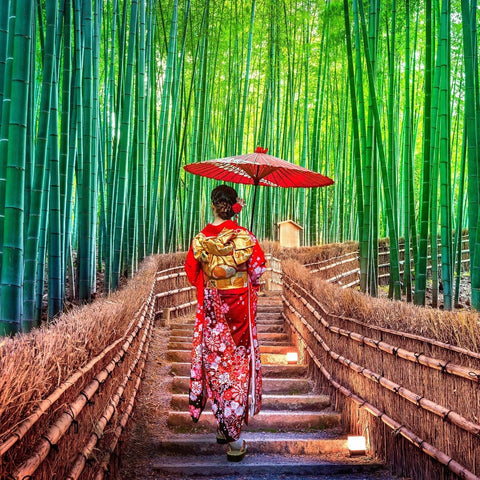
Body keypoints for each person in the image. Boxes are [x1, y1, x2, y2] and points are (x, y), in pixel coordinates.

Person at [184, 184, 266, 462]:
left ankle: (223, 424)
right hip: (238, 311)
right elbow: (256, 271)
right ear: (234, 206)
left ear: (212, 204)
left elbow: (191, 273)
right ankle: (234, 439)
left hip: (212, 310)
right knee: (236, 367)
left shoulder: (200, 238)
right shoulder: (245, 236)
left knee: (216, 364)